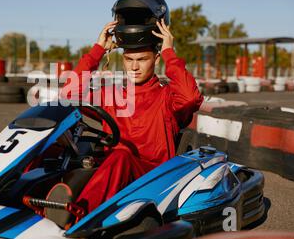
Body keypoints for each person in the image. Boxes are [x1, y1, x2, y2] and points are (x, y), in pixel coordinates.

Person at [63, 18, 204, 214]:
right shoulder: (111, 95)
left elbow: (191, 97)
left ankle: (77, 213)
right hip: (113, 175)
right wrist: (98, 50)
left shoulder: (167, 97)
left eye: (142, 60)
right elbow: (69, 95)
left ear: (156, 59)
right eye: (129, 60)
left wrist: (169, 53)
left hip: (153, 180)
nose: (134, 67)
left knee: (121, 155)